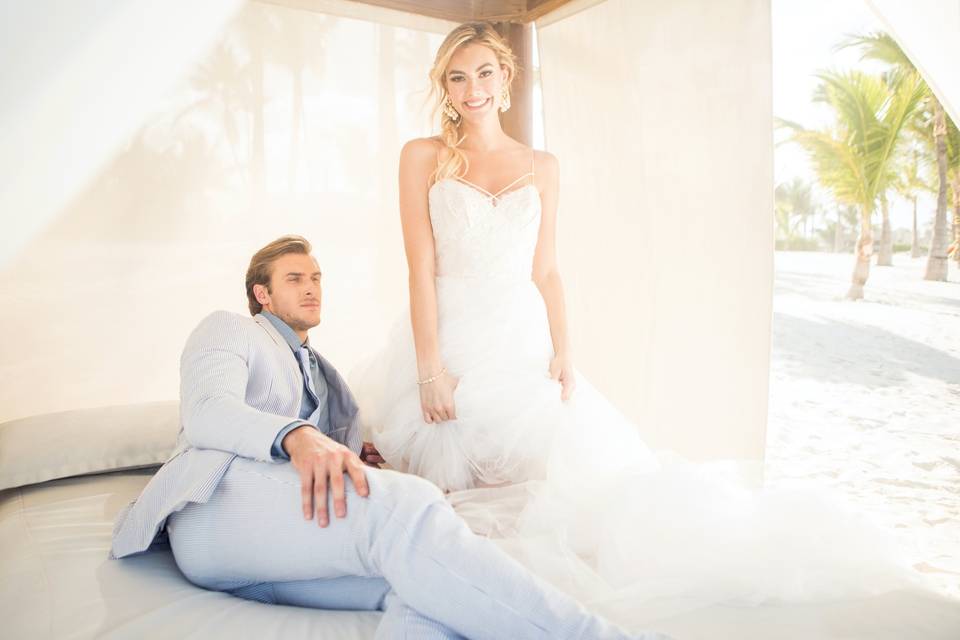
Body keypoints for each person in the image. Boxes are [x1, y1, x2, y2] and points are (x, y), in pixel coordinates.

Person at [350, 22, 925, 632]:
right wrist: (430, 368)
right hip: (451, 335)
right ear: (445, 85)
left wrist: (565, 350)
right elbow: (420, 268)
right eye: (458, 77)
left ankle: (530, 604)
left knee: (548, 480)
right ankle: (465, 596)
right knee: (447, 478)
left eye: (484, 73)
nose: (473, 89)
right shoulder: (424, 156)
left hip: (520, 338)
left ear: (506, 78)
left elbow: (546, 270)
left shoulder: (542, 165)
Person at [109, 235, 670, 640]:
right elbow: (208, 411)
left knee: (427, 583)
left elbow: (331, 454)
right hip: (215, 507)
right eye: (294, 279)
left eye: (316, 278)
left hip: (279, 548)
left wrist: (357, 454)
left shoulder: (323, 371)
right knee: (412, 509)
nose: (311, 289)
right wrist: (299, 437)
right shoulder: (230, 330)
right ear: (261, 294)